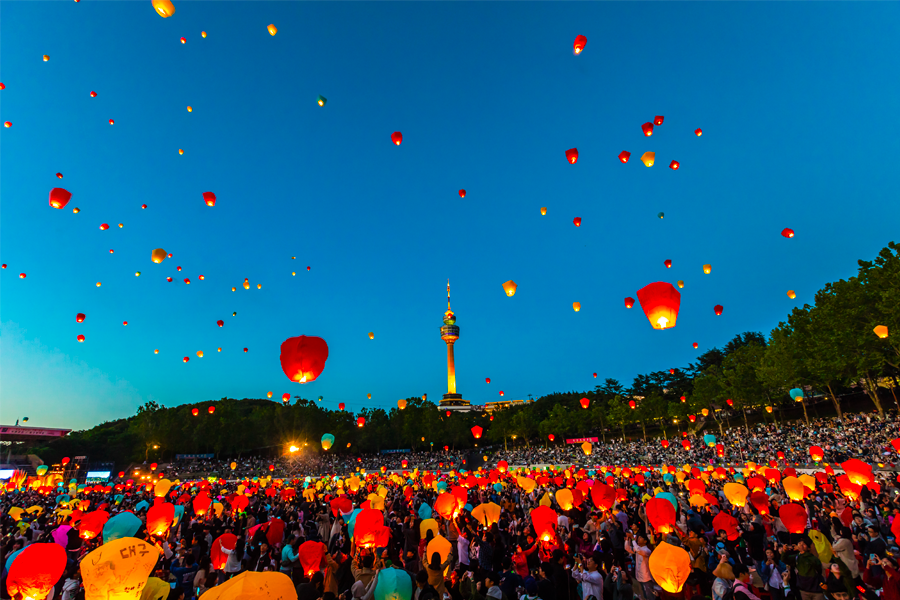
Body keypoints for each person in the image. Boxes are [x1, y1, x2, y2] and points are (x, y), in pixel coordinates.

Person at [625, 532, 654, 600]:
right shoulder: (638, 548)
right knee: (642, 596)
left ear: (645, 541)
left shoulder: (647, 550)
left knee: (650, 597)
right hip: (639, 576)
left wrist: (632, 539)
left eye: (641, 537)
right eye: (638, 537)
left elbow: (638, 550)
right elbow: (627, 548)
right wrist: (627, 539)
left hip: (646, 578)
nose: (638, 538)